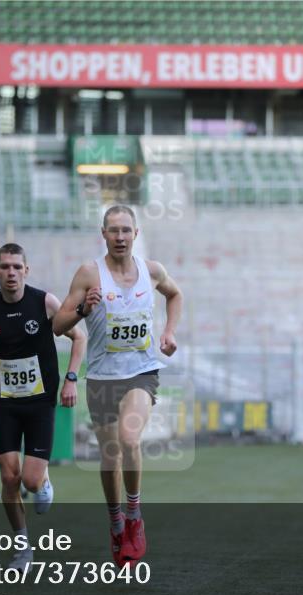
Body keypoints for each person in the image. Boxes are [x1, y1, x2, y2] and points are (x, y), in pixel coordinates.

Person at [53, 205, 182, 567]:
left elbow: (175, 295)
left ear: (136, 234)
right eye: (114, 231)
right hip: (102, 377)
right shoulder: (88, 274)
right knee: (110, 455)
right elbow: (57, 325)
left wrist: (169, 332)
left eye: (126, 230)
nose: (121, 237)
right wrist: (82, 310)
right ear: (104, 234)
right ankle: (115, 523)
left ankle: (135, 515)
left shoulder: (152, 271)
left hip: (141, 371)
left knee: (129, 440)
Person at [0, 243, 86, 570]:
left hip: (40, 402)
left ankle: (42, 482)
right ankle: (22, 547)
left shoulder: (44, 302)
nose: (11, 273)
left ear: (26, 270)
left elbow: (79, 337)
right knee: (9, 476)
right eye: (5, 267)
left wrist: (70, 379)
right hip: (4, 402)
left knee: (29, 480)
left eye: (17, 267)